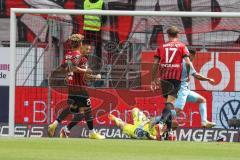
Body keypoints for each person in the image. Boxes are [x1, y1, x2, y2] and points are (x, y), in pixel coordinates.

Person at [48, 34, 105, 139]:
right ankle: (92, 133)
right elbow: (82, 74)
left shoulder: (68, 54)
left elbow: (64, 68)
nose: (87, 49)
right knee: (87, 110)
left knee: (75, 110)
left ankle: (58, 126)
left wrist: (67, 75)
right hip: (80, 88)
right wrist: (93, 75)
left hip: (71, 88)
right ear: (80, 44)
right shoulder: (80, 57)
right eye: (85, 46)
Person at [150, 26, 192, 137]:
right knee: (170, 103)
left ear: (168, 35)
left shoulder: (161, 47)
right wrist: (187, 75)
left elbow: (155, 64)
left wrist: (153, 79)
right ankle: (161, 124)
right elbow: (187, 63)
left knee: (168, 103)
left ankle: (169, 133)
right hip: (175, 78)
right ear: (178, 35)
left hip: (164, 77)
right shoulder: (182, 46)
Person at [174, 49, 216, 128]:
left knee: (202, 100)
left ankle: (204, 122)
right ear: (190, 55)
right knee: (177, 110)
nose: (194, 58)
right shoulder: (187, 62)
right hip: (181, 90)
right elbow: (197, 76)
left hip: (185, 90)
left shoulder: (178, 62)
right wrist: (208, 79)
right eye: (194, 56)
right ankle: (157, 119)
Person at [83, 0, 106, 69]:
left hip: (96, 29)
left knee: (97, 47)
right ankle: (84, 63)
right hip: (88, 29)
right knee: (87, 47)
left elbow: (104, 17)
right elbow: (83, 15)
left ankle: (98, 64)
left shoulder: (101, 3)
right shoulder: (85, 2)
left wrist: (100, 24)